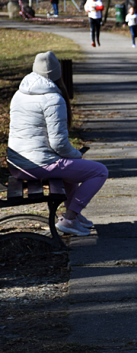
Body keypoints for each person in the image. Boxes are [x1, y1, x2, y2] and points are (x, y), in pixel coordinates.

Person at [7, 51, 108, 237]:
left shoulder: (19, 93)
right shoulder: (53, 99)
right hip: (37, 165)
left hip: (17, 164)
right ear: (57, 73)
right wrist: (77, 154)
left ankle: (74, 217)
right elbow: (59, 144)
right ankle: (70, 218)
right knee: (99, 171)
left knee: (69, 168)